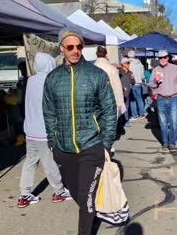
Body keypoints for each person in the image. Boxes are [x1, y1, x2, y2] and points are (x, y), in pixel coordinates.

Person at [43, 27, 117, 235]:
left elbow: (109, 111)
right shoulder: (53, 78)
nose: (75, 50)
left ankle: (85, 228)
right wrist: (52, 141)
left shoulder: (97, 75)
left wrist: (106, 144)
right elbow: (48, 112)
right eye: (70, 47)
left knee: (86, 195)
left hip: (91, 145)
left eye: (79, 46)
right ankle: (90, 213)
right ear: (62, 48)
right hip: (63, 148)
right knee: (77, 193)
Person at [18, 53, 71, 208]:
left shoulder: (30, 81)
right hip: (45, 130)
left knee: (30, 162)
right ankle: (58, 191)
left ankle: (24, 194)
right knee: (50, 162)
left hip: (30, 129)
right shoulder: (51, 81)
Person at [149, 50, 177, 152]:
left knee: (173, 122)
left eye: (164, 57)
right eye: (160, 58)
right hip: (161, 98)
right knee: (163, 122)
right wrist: (155, 81)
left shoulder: (175, 68)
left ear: (168, 58)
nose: (162, 59)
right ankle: (165, 142)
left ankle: (172, 143)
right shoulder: (156, 69)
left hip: (174, 98)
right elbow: (151, 85)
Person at [94, 46, 125, 114]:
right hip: (110, 100)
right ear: (106, 55)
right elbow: (117, 87)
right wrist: (120, 102)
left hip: (94, 101)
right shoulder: (112, 69)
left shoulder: (91, 68)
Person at [127, 51, 146, 120]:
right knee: (140, 99)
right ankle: (142, 113)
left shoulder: (129, 63)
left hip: (132, 83)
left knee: (133, 100)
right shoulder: (139, 63)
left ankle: (134, 115)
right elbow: (142, 74)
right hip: (139, 82)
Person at [119, 58, 135, 127]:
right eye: (126, 63)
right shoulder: (119, 72)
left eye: (128, 63)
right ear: (122, 64)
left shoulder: (130, 72)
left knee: (126, 107)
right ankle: (121, 122)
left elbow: (133, 83)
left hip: (127, 93)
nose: (128, 64)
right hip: (120, 92)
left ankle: (126, 121)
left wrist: (132, 78)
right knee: (120, 107)